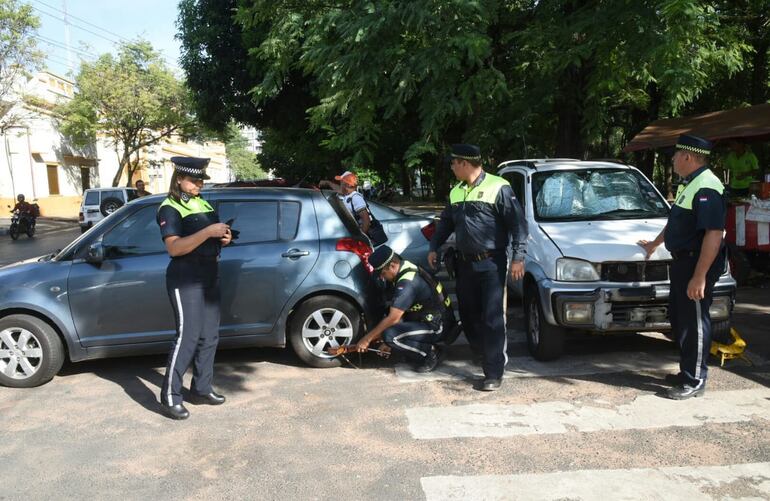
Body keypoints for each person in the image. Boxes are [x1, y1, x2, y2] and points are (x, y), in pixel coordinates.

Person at [427, 144, 527, 391]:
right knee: (469, 316)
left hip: (491, 263)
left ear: (464, 163)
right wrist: (434, 246)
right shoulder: (456, 192)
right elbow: (446, 223)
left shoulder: (498, 187)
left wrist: (518, 257)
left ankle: (493, 371)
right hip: (464, 265)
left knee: (492, 318)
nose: (451, 167)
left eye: (453, 163)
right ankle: (482, 352)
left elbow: (518, 225)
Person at [637, 134, 726, 400]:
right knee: (681, 320)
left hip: (697, 264)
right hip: (683, 262)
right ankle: (688, 370)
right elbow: (677, 221)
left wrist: (699, 277)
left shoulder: (707, 187)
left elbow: (714, 233)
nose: (673, 160)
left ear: (687, 157)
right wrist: (654, 244)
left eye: (676, 156)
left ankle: (695, 379)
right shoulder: (690, 184)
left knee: (695, 322)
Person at [155, 156, 232, 420]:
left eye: (201, 180)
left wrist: (223, 238)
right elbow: (175, 247)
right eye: (193, 180)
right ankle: (170, 397)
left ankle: (201, 389)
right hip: (185, 276)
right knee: (187, 337)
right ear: (179, 179)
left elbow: (208, 238)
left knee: (209, 335)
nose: (199, 184)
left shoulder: (201, 202)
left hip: (209, 272)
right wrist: (209, 232)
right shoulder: (169, 208)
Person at [355, 245, 454, 372]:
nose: (383, 277)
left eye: (383, 273)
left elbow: (393, 318)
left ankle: (431, 353)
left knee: (390, 335)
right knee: (390, 337)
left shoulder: (407, 282)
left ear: (392, 265)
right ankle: (421, 350)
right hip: (426, 321)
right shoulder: (406, 267)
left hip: (438, 325)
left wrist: (367, 339)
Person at [320, 170, 372, 234]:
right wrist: (328, 183)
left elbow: (366, 221)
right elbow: (338, 189)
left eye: (341, 182)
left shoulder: (355, 198)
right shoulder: (347, 195)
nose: (340, 184)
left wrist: (359, 238)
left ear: (346, 185)